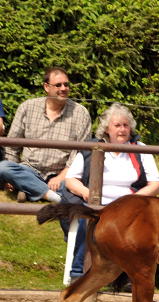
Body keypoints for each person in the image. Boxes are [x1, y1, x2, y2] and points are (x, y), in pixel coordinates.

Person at [63, 103, 159, 282]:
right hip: (97, 204)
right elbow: (70, 181)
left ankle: (131, 278)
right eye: (117, 125)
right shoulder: (91, 147)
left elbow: (155, 185)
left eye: (125, 125)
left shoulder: (140, 148)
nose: (122, 130)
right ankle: (78, 274)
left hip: (129, 207)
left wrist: (133, 201)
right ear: (107, 129)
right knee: (87, 221)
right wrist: (88, 193)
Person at [0, 67, 91, 203]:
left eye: (66, 85)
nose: (63, 88)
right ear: (46, 87)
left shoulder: (81, 114)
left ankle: (29, 190)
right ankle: (52, 195)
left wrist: (60, 177)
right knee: (3, 168)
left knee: (73, 185)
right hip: (29, 169)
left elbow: (79, 155)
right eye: (58, 85)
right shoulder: (27, 108)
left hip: (62, 174)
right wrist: (10, 178)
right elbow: (12, 147)